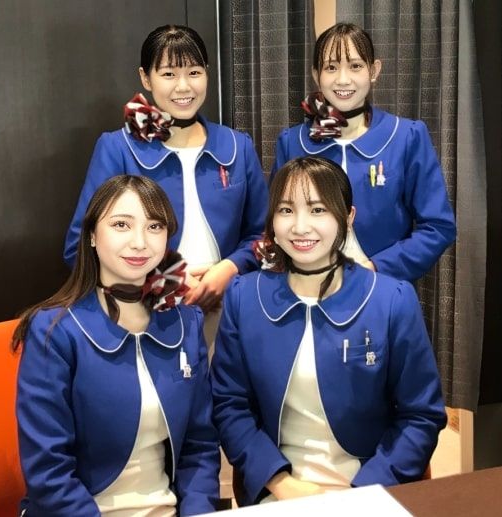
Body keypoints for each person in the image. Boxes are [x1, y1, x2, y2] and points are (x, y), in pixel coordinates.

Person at [211, 157, 447, 506]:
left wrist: (361, 494)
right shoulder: (244, 297)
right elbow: (229, 406)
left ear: (348, 217)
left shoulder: (391, 299)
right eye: (286, 210)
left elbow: (421, 415)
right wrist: (281, 483)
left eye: (318, 210)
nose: (300, 227)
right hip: (277, 493)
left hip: (370, 492)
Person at [12, 175, 219, 516]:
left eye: (154, 227)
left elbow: (200, 447)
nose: (139, 242)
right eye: (121, 224)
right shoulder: (55, 331)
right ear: (92, 235)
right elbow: (49, 473)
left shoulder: (185, 323)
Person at [64, 24, 268, 321]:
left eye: (194, 72)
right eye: (169, 74)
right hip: (146, 315)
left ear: (207, 73)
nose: (183, 87)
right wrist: (169, 281)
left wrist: (230, 268)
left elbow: (265, 234)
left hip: (230, 308)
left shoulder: (237, 145)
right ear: (146, 78)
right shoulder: (118, 148)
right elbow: (79, 248)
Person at [272, 22, 456, 281]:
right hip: (305, 286)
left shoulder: (406, 136)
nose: (343, 79)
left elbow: (438, 226)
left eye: (355, 66)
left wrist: (375, 269)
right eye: (331, 67)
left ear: (374, 70)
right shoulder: (292, 142)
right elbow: (275, 222)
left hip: (380, 288)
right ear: (316, 74)